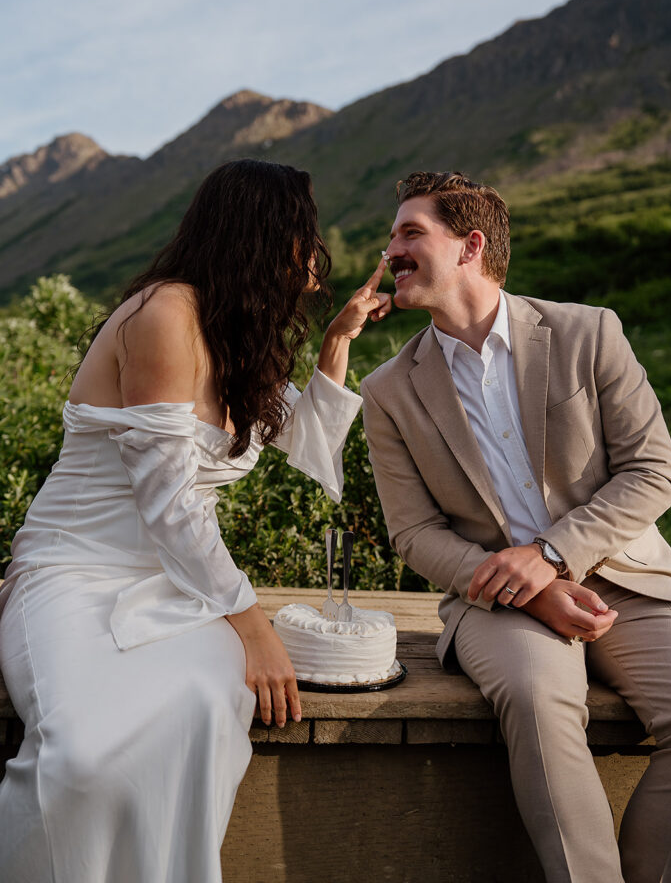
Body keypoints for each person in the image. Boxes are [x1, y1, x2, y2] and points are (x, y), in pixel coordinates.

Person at [0, 158, 391, 883]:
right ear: (263, 236)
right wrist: (252, 626)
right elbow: (168, 501)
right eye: (303, 237)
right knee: (82, 755)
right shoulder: (163, 316)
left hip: (178, 585)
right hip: (74, 571)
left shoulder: (238, 335)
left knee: (208, 709)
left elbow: (307, 443)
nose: (314, 255)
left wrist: (336, 341)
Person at [361, 170, 671, 883]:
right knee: (540, 702)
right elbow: (412, 533)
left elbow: (655, 471)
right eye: (391, 238)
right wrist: (527, 588)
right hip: (492, 599)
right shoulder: (385, 391)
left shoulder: (586, 332)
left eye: (410, 233)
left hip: (625, 577)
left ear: (470, 246)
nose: (390, 253)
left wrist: (551, 556)